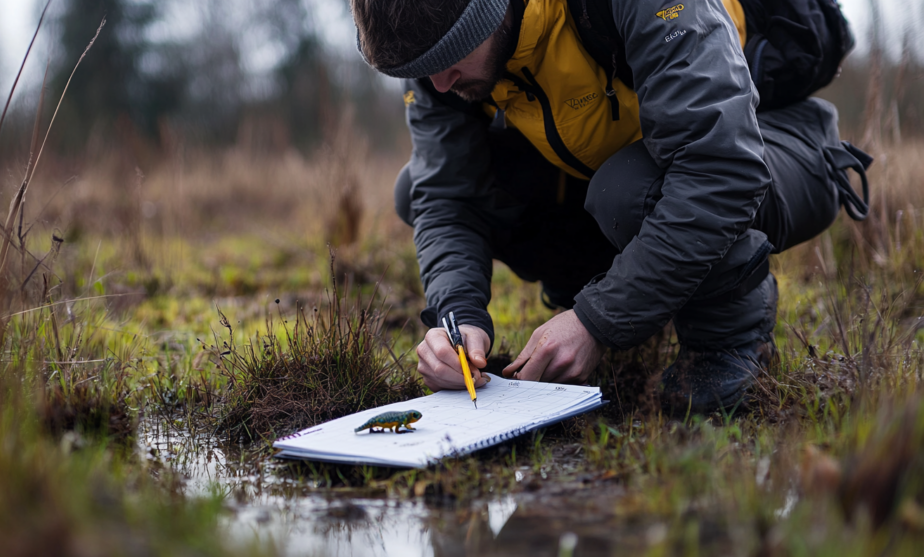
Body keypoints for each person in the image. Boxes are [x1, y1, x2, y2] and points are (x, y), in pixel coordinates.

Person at [350, 0, 869, 412]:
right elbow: (448, 197)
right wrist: (457, 317)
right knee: (415, 187)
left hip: (776, 150)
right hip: (630, 171)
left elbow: (720, 170)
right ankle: (628, 288)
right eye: (420, 70)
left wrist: (596, 321)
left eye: (446, 58)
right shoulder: (447, 68)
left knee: (626, 189)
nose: (438, 83)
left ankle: (726, 342)